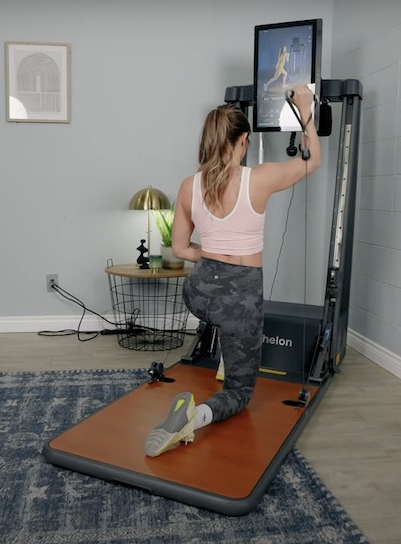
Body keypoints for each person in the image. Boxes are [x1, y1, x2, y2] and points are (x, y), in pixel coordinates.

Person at [144, 85, 320, 457]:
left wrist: (209, 254)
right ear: (242, 141)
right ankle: (195, 416)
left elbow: (178, 248)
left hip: (200, 292)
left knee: (223, 320)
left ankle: (227, 345)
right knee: (239, 393)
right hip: (240, 298)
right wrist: (305, 109)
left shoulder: (190, 185)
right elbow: (312, 160)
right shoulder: (260, 178)